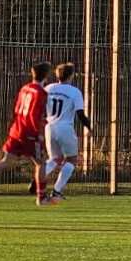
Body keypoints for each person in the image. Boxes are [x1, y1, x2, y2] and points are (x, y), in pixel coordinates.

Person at [0, 63, 53, 204]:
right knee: (41, 163)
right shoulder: (40, 93)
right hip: (29, 132)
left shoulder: (25, 88)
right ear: (46, 76)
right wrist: (38, 133)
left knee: (6, 161)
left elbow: (17, 109)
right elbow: (34, 115)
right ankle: (41, 197)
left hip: (16, 129)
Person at [43, 62, 91, 196]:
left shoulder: (48, 89)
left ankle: (38, 178)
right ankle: (57, 190)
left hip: (49, 127)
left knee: (54, 159)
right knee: (72, 160)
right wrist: (89, 127)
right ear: (71, 76)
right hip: (65, 127)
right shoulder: (74, 91)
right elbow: (80, 114)